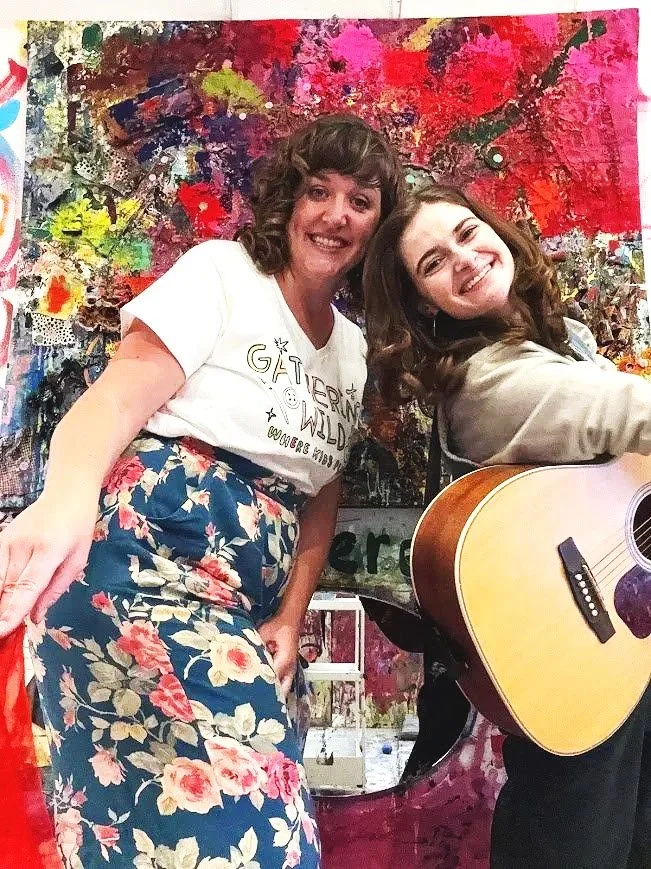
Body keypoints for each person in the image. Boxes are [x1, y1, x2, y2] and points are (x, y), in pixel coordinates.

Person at [0, 112, 405, 868]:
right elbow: (119, 395)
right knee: (247, 842)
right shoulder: (224, 273)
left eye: (361, 201)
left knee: (229, 838)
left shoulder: (351, 351)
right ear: (288, 200)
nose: (336, 215)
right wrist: (63, 500)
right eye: (318, 191)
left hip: (238, 607)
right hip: (141, 570)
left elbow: (319, 493)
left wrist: (291, 615)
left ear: (378, 226)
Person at [363, 181, 650, 869]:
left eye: (466, 233)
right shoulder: (485, 380)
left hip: (619, 632)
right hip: (575, 644)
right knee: (574, 839)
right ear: (423, 304)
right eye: (433, 263)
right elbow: (628, 412)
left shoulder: (560, 342)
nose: (463, 259)